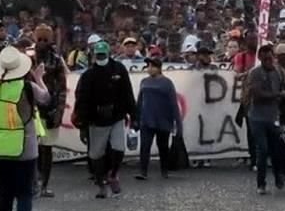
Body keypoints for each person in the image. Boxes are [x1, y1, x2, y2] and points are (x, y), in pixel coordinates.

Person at [0, 46, 50, 211]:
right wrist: (39, 78)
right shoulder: (28, 87)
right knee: (24, 192)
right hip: (24, 145)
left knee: (4, 193)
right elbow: (46, 99)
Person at [75, 41, 137, 199]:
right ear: (94, 55)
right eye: (98, 55)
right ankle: (100, 183)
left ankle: (113, 174)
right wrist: (83, 124)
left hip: (116, 116)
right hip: (96, 120)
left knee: (119, 148)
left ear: (109, 54)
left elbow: (127, 93)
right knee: (96, 155)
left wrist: (134, 115)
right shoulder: (88, 75)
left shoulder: (119, 69)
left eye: (103, 54)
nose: (101, 57)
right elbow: (82, 100)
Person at [32, 25, 67, 198]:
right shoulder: (28, 59)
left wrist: (59, 112)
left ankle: (44, 184)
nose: (42, 43)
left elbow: (62, 89)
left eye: (46, 40)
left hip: (50, 110)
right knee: (33, 149)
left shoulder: (57, 60)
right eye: (39, 39)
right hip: (32, 109)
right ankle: (34, 183)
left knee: (46, 149)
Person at [247, 44, 285, 194]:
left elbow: (282, 90)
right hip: (257, 117)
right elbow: (258, 95)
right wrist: (279, 95)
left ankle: (278, 176)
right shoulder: (255, 73)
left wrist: (284, 97)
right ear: (260, 58)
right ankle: (261, 183)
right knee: (262, 150)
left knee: (277, 149)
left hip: (273, 116)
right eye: (265, 59)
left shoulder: (278, 73)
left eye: (270, 58)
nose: (268, 61)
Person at [134, 57, 182, 180]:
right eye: (148, 66)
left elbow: (173, 103)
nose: (149, 69)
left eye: (152, 66)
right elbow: (140, 101)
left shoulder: (167, 83)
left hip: (163, 119)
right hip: (146, 119)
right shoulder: (144, 81)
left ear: (159, 68)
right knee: (145, 146)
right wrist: (136, 118)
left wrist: (178, 122)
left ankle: (164, 171)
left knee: (163, 147)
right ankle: (143, 171)